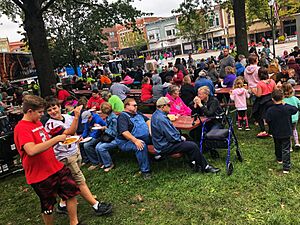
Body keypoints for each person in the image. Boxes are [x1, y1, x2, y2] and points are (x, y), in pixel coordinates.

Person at [14, 95, 80, 225]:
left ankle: (74, 222)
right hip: (40, 175)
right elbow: (31, 150)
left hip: (56, 166)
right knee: (48, 206)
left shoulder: (37, 122)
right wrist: (55, 140)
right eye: (39, 112)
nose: (42, 115)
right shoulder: (21, 128)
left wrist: (60, 138)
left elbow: (45, 141)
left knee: (71, 193)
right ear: (29, 112)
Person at [44, 97, 112, 216]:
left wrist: (77, 138)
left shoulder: (68, 118)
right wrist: (76, 117)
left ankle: (62, 205)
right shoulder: (50, 124)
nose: (53, 111)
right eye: (49, 110)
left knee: (70, 181)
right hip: (64, 156)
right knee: (80, 181)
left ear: (59, 107)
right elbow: (66, 133)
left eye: (54, 108)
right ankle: (96, 206)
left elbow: (73, 132)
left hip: (75, 151)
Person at [151, 97, 220, 173]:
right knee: (192, 145)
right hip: (165, 146)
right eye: (169, 105)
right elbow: (172, 137)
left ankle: (193, 162)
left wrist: (180, 137)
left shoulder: (156, 115)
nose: (171, 107)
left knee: (189, 140)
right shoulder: (161, 119)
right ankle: (206, 167)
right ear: (162, 107)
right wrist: (180, 138)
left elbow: (170, 133)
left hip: (161, 143)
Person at [115, 98, 151, 179]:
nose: (136, 107)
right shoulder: (123, 117)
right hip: (126, 142)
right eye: (134, 105)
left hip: (142, 137)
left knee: (157, 137)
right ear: (127, 106)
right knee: (141, 146)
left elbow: (147, 120)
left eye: (136, 105)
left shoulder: (137, 113)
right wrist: (135, 141)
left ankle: (158, 155)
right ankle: (145, 171)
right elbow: (124, 132)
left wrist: (150, 131)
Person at [265, 89, 298, 174]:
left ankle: (279, 158)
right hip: (286, 131)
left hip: (275, 131)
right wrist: (285, 104)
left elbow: (267, 120)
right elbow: (295, 109)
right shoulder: (287, 108)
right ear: (283, 97)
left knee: (277, 145)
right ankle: (286, 167)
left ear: (272, 99)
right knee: (286, 149)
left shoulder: (270, 110)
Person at [252, 67, 276, 138]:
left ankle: (263, 129)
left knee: (259, 115)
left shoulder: (260, 83)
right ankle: (271, 131)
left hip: (263, 101)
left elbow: (259, 95)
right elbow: (275, 91)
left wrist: (253, 91)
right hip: (271, 100)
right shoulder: (272, 81)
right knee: (270, 116)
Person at [95, 102, 118, 172]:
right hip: (109, 137)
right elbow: (108, 127)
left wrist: (105, 129)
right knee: (97, 147)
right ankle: (103, 162)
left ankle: (109, 164)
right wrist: (103, 127)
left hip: (116, 139)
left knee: (101, 148)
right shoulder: (109, 117)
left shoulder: (114, 119)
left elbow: (115, 133)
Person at [282, 83, 300, 151]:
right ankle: (297, 142)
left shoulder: (282, 101)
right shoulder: (295, 99)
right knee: (294, 129)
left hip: (286, 119)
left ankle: (290, 147)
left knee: (288, 132)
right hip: (295, 118)